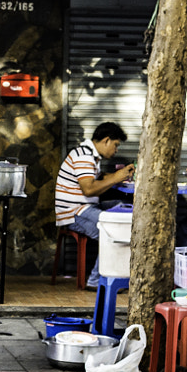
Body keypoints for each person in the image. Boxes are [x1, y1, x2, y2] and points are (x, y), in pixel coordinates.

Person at [53, 122, 134, 287]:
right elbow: (89, 189)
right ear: (106, 140)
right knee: (116, 230)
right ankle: (96, 280)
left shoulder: (90, 155)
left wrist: (116, 176)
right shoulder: (84, 155)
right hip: (74, 212)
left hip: (86, 208)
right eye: (115, 145)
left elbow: (96, 177)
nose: (116, 150)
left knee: (124, 207)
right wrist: (117, 177)